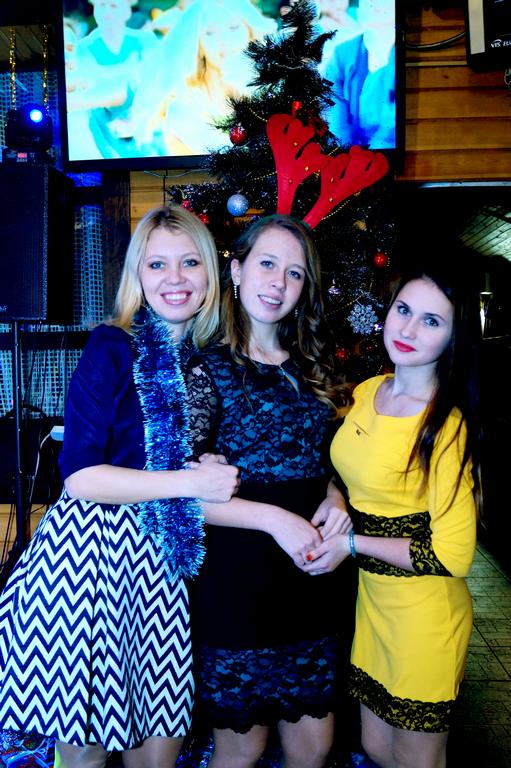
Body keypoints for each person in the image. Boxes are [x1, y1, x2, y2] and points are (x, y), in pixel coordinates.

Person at [0, 204, 239, 768]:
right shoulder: (111, 345)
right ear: (137, 275)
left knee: (158, 743)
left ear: (210, 272)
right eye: (157, 264)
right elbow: (81, 476)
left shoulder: (209, 360)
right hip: (90, 562)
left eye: (189, 263)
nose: (175, 278)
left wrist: (209, 464)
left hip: (162, 562)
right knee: (84, 752)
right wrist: (190, 479)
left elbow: (197, 458)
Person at [303, 255, 482, 768]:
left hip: (424, 619)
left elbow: (452, 555)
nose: (408, 329)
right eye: (403, 310)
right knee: (378, 748)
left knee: (417, 759)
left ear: (453, 336)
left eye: (431, 321)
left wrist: (350, 543)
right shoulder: (368, 391)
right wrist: (336, 498)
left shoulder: (446, 426)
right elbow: (345, 472)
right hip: (374, 608)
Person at [189, 214, 355, 768]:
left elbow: (330, 462)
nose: (279, 283)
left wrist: (335, 497)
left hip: (312, 580)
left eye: (295, 273)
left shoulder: (314, 365)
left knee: (314, 746)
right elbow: (182, 495)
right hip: (238, 584)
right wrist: (274, 519)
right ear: (236, 270)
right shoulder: (204, 369)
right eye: (266, 264)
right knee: (243, 747)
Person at [131, 0, 276, 155]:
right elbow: (223, 162)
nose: (224, 41)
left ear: (250, 31)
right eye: (210, 33)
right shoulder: (183, 109)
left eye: (234, 27)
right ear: (198, 43)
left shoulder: (272, 93)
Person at [66, 0, 159, 159]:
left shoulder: (147, 42)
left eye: (114, 6)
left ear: (126, 11)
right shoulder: (81, 50)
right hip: (106, 142)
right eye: (101, 5)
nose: (107, 12)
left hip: (151, 133)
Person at [323, 0, 396, 150]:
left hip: (390, 154)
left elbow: (390, 131)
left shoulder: (401, 57)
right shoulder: (341, 54)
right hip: (347, 155)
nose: (372, 2)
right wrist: (345, 154)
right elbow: (334, 115)